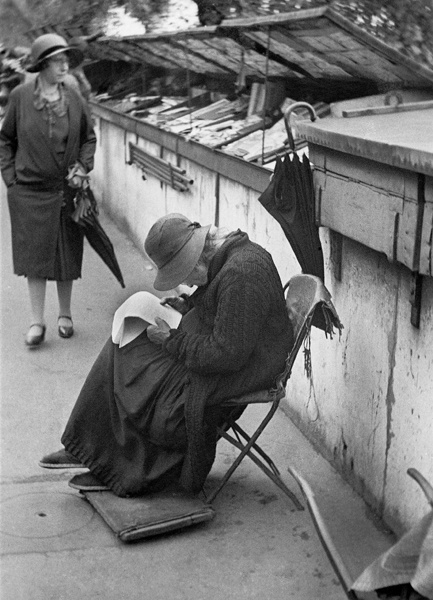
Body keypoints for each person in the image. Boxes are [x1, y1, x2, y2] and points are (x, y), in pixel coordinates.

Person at [39, 213, 294, 496]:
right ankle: (87, 447)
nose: (186, 281)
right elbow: (221, 307)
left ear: (198, 257)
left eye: (184, 274)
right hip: (224, 353)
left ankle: (115, 466)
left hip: (241, 372)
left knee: (139, 375)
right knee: (122, 343)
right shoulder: (227, 257)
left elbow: (227, 355)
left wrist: (172, 340)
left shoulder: (241, 274)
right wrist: (187, 305)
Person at [0, 34, 97, 347]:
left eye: (66, 60)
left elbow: (88, 138)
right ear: (41, 64)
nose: (64, 65)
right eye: (57, 60)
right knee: (35, 256)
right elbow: (5, 141)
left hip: (66, 190)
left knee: (66, 251)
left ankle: (65, 315)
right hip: (29, 191)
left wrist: (83, 168)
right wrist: (11, 181)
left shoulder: (75, 98)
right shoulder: (19, 97)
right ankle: (37, 321)